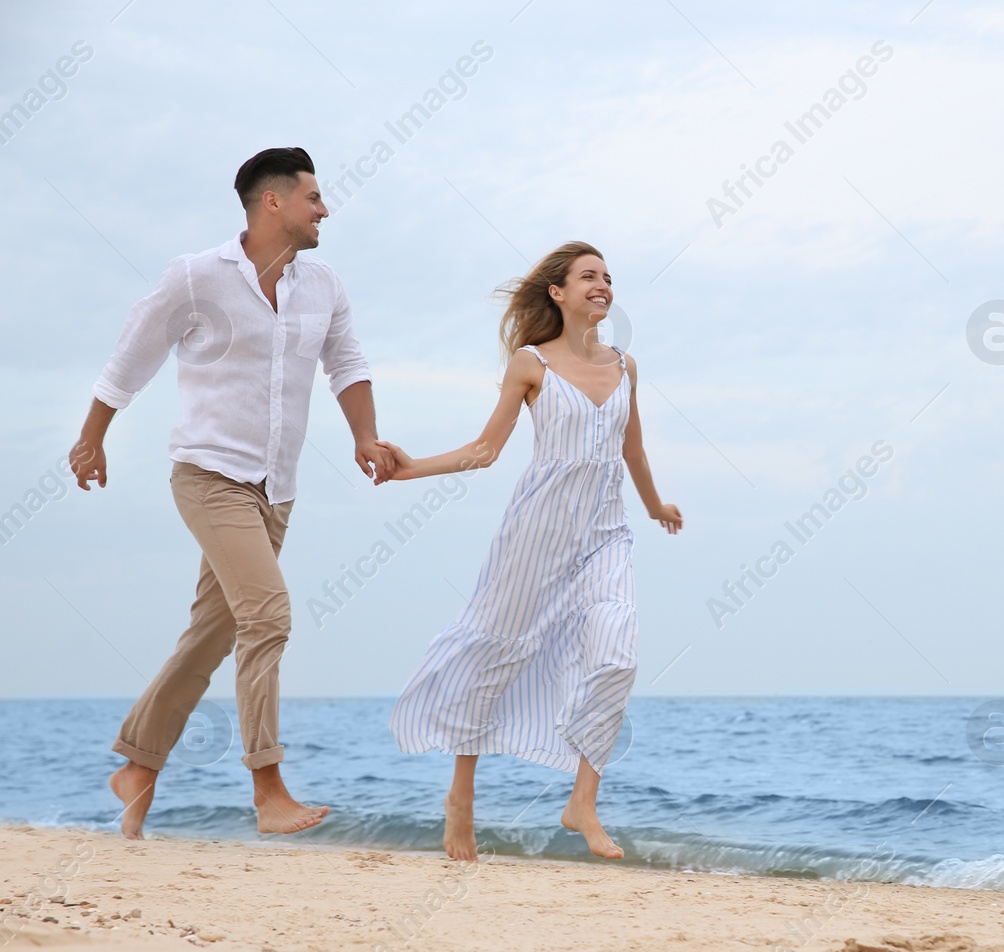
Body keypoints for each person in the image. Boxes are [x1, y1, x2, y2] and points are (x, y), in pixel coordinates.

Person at [71, 147, 393, 839]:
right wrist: (91, 437)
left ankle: (137, 765)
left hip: (276, 488)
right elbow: (133, 355)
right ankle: (268, 789)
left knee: (212, 634)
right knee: (269, 614)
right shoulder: (197, 277)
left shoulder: (323, 284)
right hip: (209, 473)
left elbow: (347, 362)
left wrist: (366, 437)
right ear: (272, 202)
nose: (324, 209)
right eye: (313, 197)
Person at [380, 241, 681, 861]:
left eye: (607, 277)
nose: (602, 285)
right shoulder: (530, 364)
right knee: (495, 654)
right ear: (558, 293)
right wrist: (410, 471)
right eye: (588, 277)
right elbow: (485, 450)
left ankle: (582, 801)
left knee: (617, 651)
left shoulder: (626, 367)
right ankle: (460, 797)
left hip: (605, 534)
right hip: (536, 532)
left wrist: (655, 507)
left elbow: (633, 449)